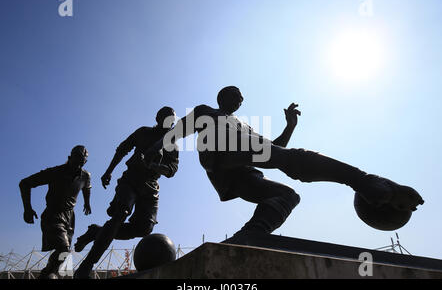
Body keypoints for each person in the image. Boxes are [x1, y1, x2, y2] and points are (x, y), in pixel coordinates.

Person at [144, 86, 424, 244]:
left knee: (288, 195)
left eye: (241, 98)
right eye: (235, 95)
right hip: (220, 154)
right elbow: (177, 132)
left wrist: (289, 126)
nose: (240, 100)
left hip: (242, 172)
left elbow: (278, 149)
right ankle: (363, 180)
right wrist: (154, 151)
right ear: (223, 97)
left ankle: (250, 236)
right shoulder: (207, 112)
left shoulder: (244, 126)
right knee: (282, 159)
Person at [73, 106, 179, 279]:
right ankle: (86, 266)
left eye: (173, 120)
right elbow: (123, 149)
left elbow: (172, 169)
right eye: (167, 118)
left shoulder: (171, 143)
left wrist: (154, 166)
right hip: (132, 178)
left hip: (151, 185)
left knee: (144, 228)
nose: (171, 122)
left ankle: (96, 232)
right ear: (158, 118)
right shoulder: (143, 132)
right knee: (120, 213)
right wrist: (109, 171)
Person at [19, 145, 91, 279]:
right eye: (76, 161)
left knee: (65, 252)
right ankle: (49, 273)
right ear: (69, 158)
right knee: (63, 249)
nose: (78, 166)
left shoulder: (85, 176)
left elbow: (87, 188)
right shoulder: (56, 172)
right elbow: (25, 183)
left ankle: (48, 274)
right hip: (53, 214)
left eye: (82, 163)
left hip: (70, 217)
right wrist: (27, 208)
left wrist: (87, 203)